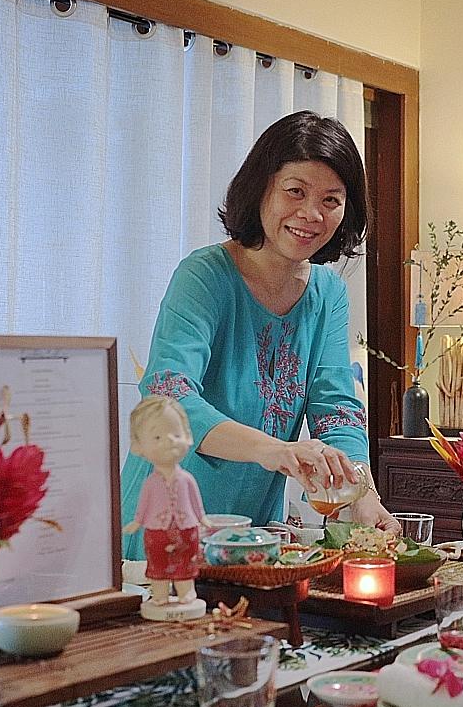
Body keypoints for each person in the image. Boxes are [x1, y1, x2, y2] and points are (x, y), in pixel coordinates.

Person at [121, 110, 399, 560]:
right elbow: (169, 398)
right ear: (261, 189)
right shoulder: (204, 276)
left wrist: (360, 489)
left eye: (331, 200)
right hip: (164, 526)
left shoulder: (328, 293)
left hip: (253, 537)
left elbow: (337, 410)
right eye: (295, 191)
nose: (311, 214)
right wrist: (277, 451)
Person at [122, 396, 207, 620]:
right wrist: (137, 521)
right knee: (158, 562)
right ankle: (159, 594)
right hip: (156, 532)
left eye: (176, 434)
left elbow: (196, 502)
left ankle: (186, 592)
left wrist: (202, 518)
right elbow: (144, 504)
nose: (169, 441)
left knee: (185, 562)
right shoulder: (151, 482)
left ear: (187, 437)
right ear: (139, 446)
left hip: (186, 529)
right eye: (158, 436)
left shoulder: (187, 479)